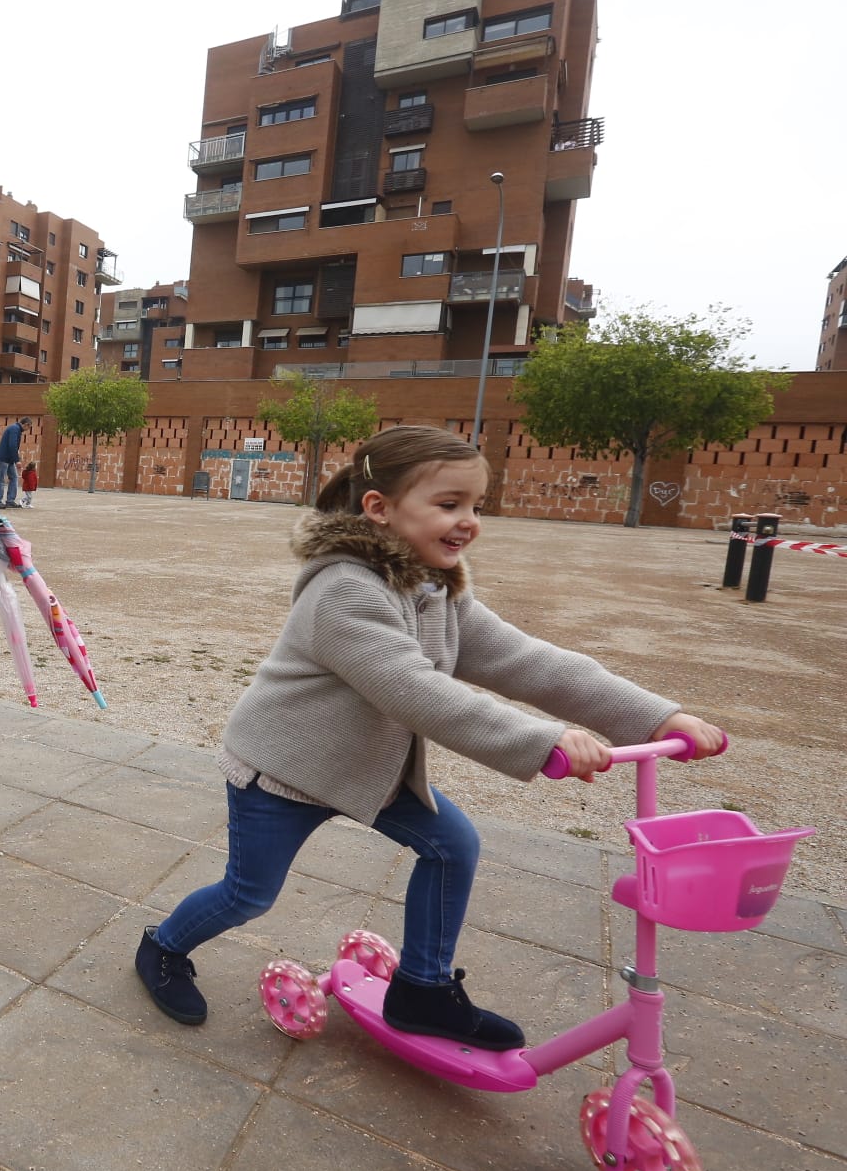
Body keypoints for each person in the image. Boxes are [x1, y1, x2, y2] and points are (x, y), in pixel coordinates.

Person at [134, 425, 722, 1046]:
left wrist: (656, 716)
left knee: (452, 845)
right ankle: (162, 947)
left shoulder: (432, 586)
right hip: (285, 772)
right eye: (448, 505)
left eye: (475, 506)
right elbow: (419, 693)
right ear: (380, 509)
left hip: (368, 768)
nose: (467, 521)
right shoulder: (342, 592)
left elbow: (527, 660)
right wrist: (543, 740)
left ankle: (423, 989)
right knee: (248, 894)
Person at [0, 416, 29, 509]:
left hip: (9, 458)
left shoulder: (16, 429)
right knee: (1, 479)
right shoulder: (15, 429)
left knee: (14, 477)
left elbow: (14, 447)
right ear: (26, 424)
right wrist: (17, 460)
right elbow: (12, 445)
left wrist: (15, 458)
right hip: (4, 457)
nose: (27, 429)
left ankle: (10, 501)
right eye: (28, 427)